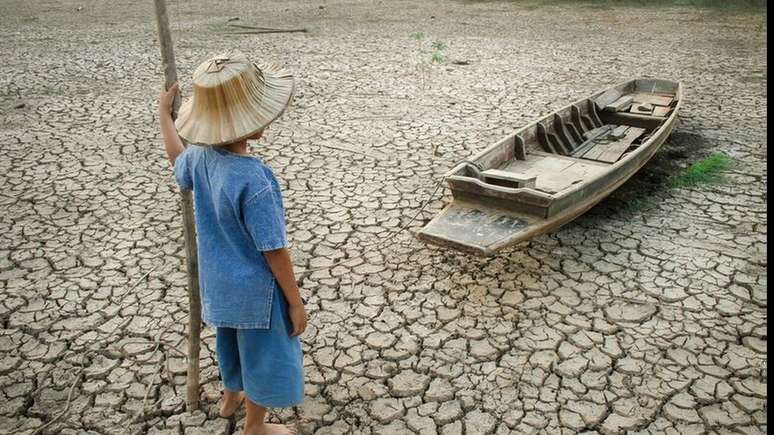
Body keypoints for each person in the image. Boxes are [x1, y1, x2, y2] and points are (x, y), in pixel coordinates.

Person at [158, 52, 306, 435]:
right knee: (261, 358)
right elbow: (273, 249)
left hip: (218, 286)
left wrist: (164, 116)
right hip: (256, 294)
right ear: (255, 121)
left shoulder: (202, 158)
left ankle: (229, 399)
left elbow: (178, 160)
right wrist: (295, 302)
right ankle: (255, 427)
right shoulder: (255, 180)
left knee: (230, 346)